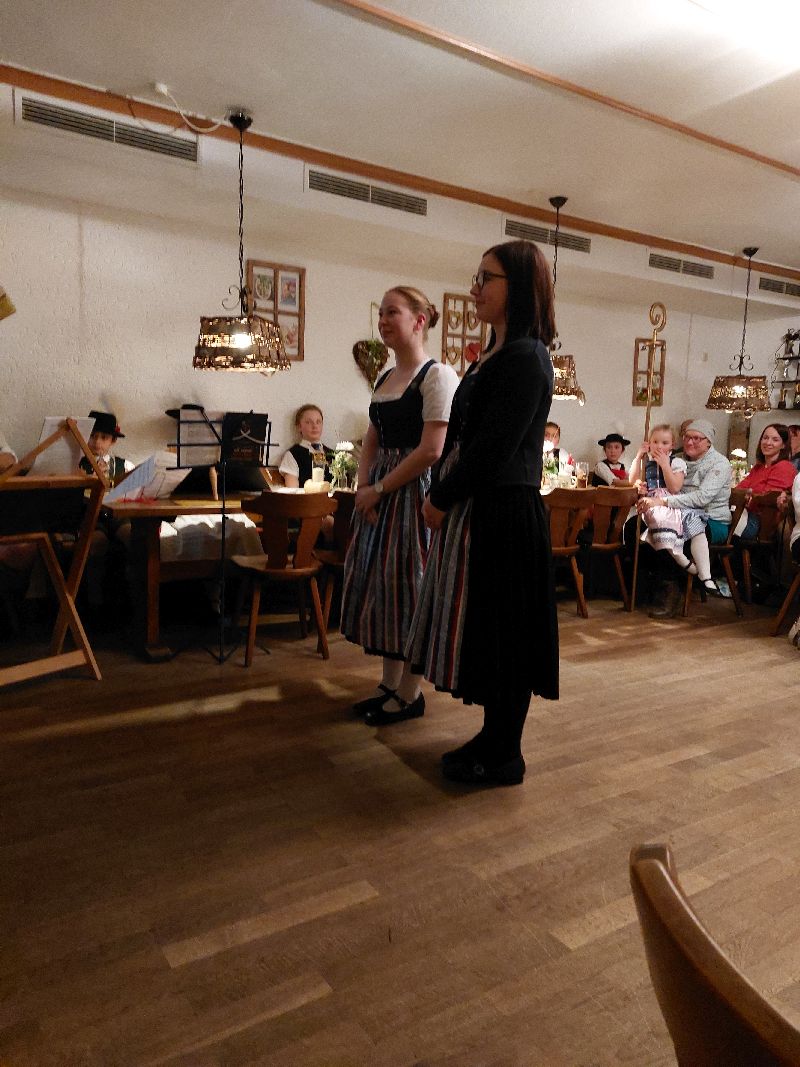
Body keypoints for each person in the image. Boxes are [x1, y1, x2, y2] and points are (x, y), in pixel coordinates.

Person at [407, 239, 559, 787]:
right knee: (490, 631)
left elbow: (494, 448)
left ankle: (505, 754)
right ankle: (494, 739)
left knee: (507, 633)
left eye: (485, 279)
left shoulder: (527, 356)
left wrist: (439, 497)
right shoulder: (494, 354)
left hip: (506, 511)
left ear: (518, 287)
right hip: (484, 508)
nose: (474, 289)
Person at [341, 286, 458, 725]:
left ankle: (411, 694)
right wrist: (363, 487)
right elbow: (371, 439)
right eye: (381, 313)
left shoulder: (437, 376)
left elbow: (431, 450)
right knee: (383, 588)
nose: (383, 320)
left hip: (412, 493)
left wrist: (380, 488)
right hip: (381, 491)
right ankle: (389, 685)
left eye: (393, 312)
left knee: (411, 588)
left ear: (419, 320)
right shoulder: (385, 378)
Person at [638, 419, 732, 610]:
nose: (690, 442)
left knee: (674, 534)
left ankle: (671, 591)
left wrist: (663, 501)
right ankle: (645, 587)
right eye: (687, 437)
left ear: (708, 442)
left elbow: (701, 498)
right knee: (635, 526)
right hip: (676, 513)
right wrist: (644, 487)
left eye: (697, 438)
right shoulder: (677, 458)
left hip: (711, 520)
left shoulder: (720, 464)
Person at [628, 424, 715, 590]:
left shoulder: (677, 462)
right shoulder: (646, 462)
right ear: (649, 443)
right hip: (653, 501)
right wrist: (638, 457)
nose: (659, 447)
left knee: (695, 523)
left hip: (672, 501)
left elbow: (674, 487)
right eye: (655, 442)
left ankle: (705, 575)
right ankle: (680, 559)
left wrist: (665, 465)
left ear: (672, 445)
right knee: (659, 521)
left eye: (664, 443)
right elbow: (632, 480)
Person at [734, 423, 796, 539]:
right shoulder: (758, 468)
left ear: (783, 445)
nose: (768, 443)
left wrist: (748, 496)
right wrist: (744, 495)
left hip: (760, 524)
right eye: (765, 438)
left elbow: (769, 497)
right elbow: (739, 490)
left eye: (775, 440)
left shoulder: (784, 467)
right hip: (744, 514)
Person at [278, 404, 333, 488]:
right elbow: (292, 490)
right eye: (308, 422)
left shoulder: (332, 454)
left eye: (318, 422)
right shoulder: (293, 455)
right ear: (299, 427)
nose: (315, 426)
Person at [79, 410, 132, 487]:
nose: (97, 442)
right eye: (92, 435)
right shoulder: (74, 465)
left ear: (113, 440)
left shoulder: (126, 467)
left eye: (104, 437)